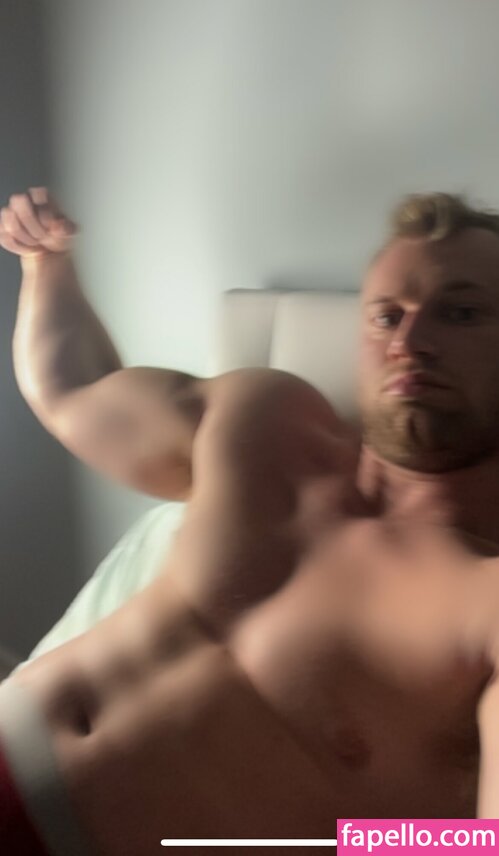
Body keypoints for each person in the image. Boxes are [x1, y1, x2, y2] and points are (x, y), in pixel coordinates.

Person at [1, 185, 499, 855]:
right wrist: (46, 263)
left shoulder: (485, 602)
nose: (410, 342)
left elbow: (482, 843)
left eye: (461, 313)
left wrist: (346, 841)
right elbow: (74, 390)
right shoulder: (263, 426)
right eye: (386, 316)